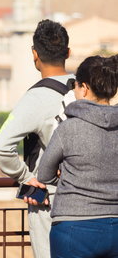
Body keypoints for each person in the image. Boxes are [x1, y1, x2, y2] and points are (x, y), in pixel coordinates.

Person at [0, 19, 71, 258]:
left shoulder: (36, 97)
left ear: (34, 54)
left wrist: (26, 177)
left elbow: (0, 146)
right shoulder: (86, 86)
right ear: (68, 52)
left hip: (51, 200)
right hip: (95, 200)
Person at [37, 55, 118, 258]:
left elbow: (44, 175)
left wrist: (65, 175)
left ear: (84, 88)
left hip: (74, 226)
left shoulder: (68, 128)